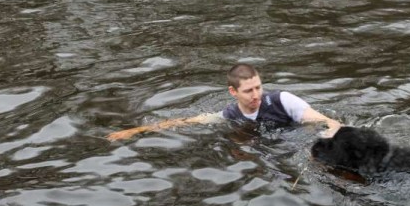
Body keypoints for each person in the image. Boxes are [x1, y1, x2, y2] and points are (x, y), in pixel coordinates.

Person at [106, 63, 341, 141]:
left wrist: (330, 130)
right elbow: (187, 121)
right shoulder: (229, 115)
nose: (256, 94)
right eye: (248, 90)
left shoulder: (283, 100)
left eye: (258, 87)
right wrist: (136, 130)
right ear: (233, 92)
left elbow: (326, 122)